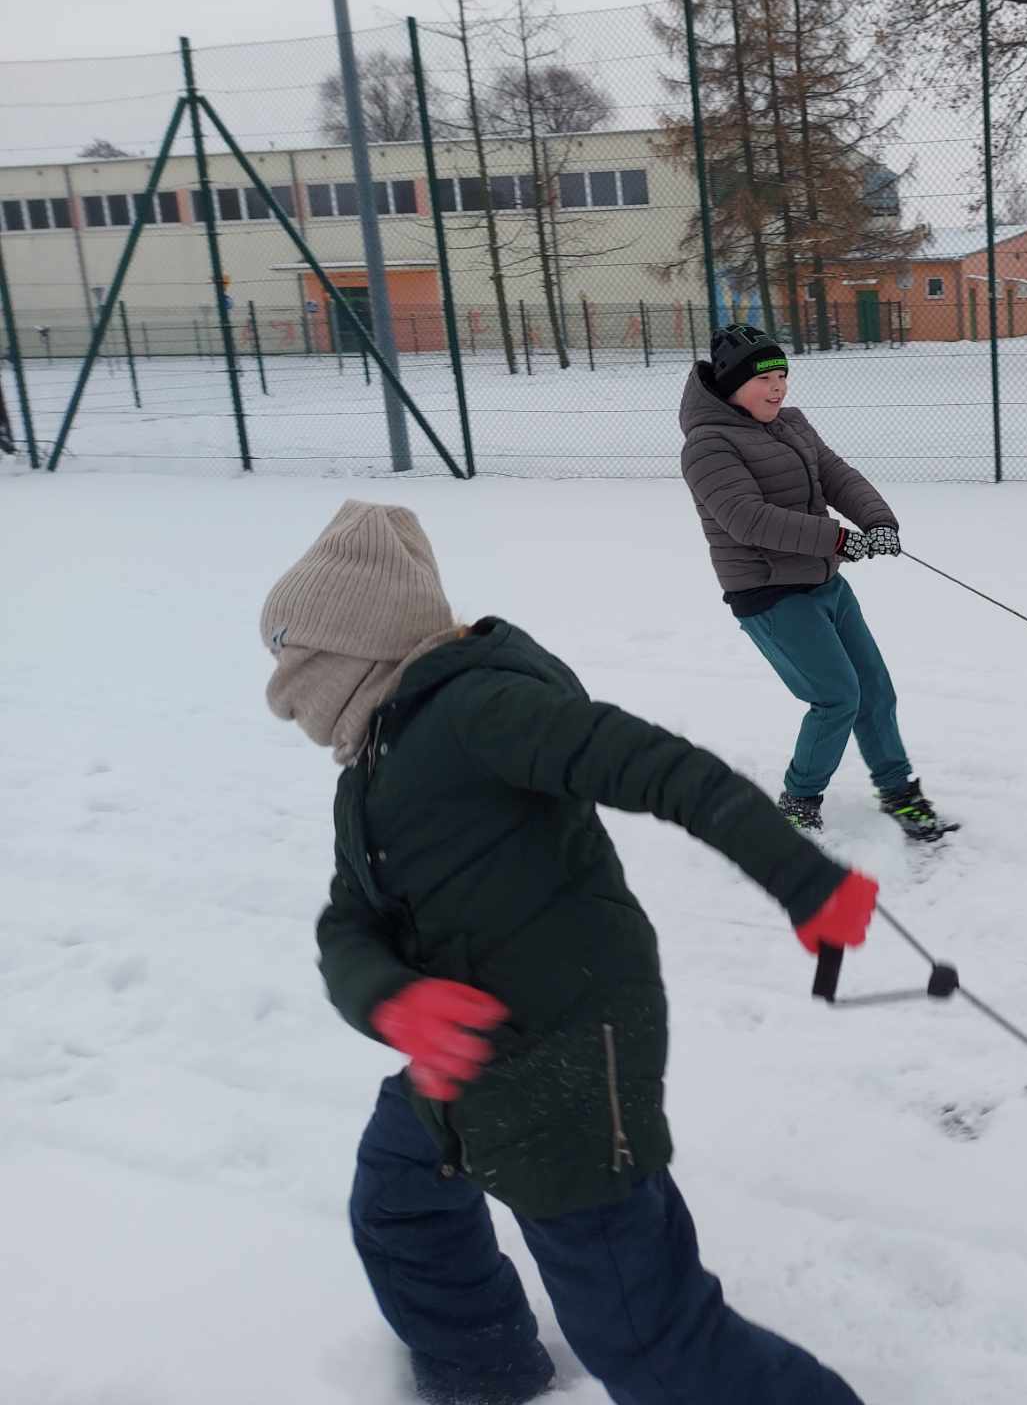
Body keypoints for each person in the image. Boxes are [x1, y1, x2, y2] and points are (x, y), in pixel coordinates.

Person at [262, 498, 877, 1405]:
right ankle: (485, 1375)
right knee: (399, 1209)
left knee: (651, 1342)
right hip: (462, 1058)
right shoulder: (375, 763)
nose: (285, 691)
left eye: (294, 663)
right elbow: (345, 921)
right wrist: (393, 998)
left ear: (351, 653)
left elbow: (664, 769)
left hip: (569, 1058)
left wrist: (802, 879)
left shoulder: (482, 711)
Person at [679, 322, 956, 842]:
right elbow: (747, 519)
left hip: (823, 582)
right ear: (730, 384)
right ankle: (798, 802)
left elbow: (835, 475)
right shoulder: (706, 446)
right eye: (764, 378)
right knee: (835, 697)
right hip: (768, 593)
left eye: (782, 374)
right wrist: (838, 540)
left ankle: (898, 791)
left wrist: (878, 522)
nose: (778, 386)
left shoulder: (791, 423)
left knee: (874, 689)